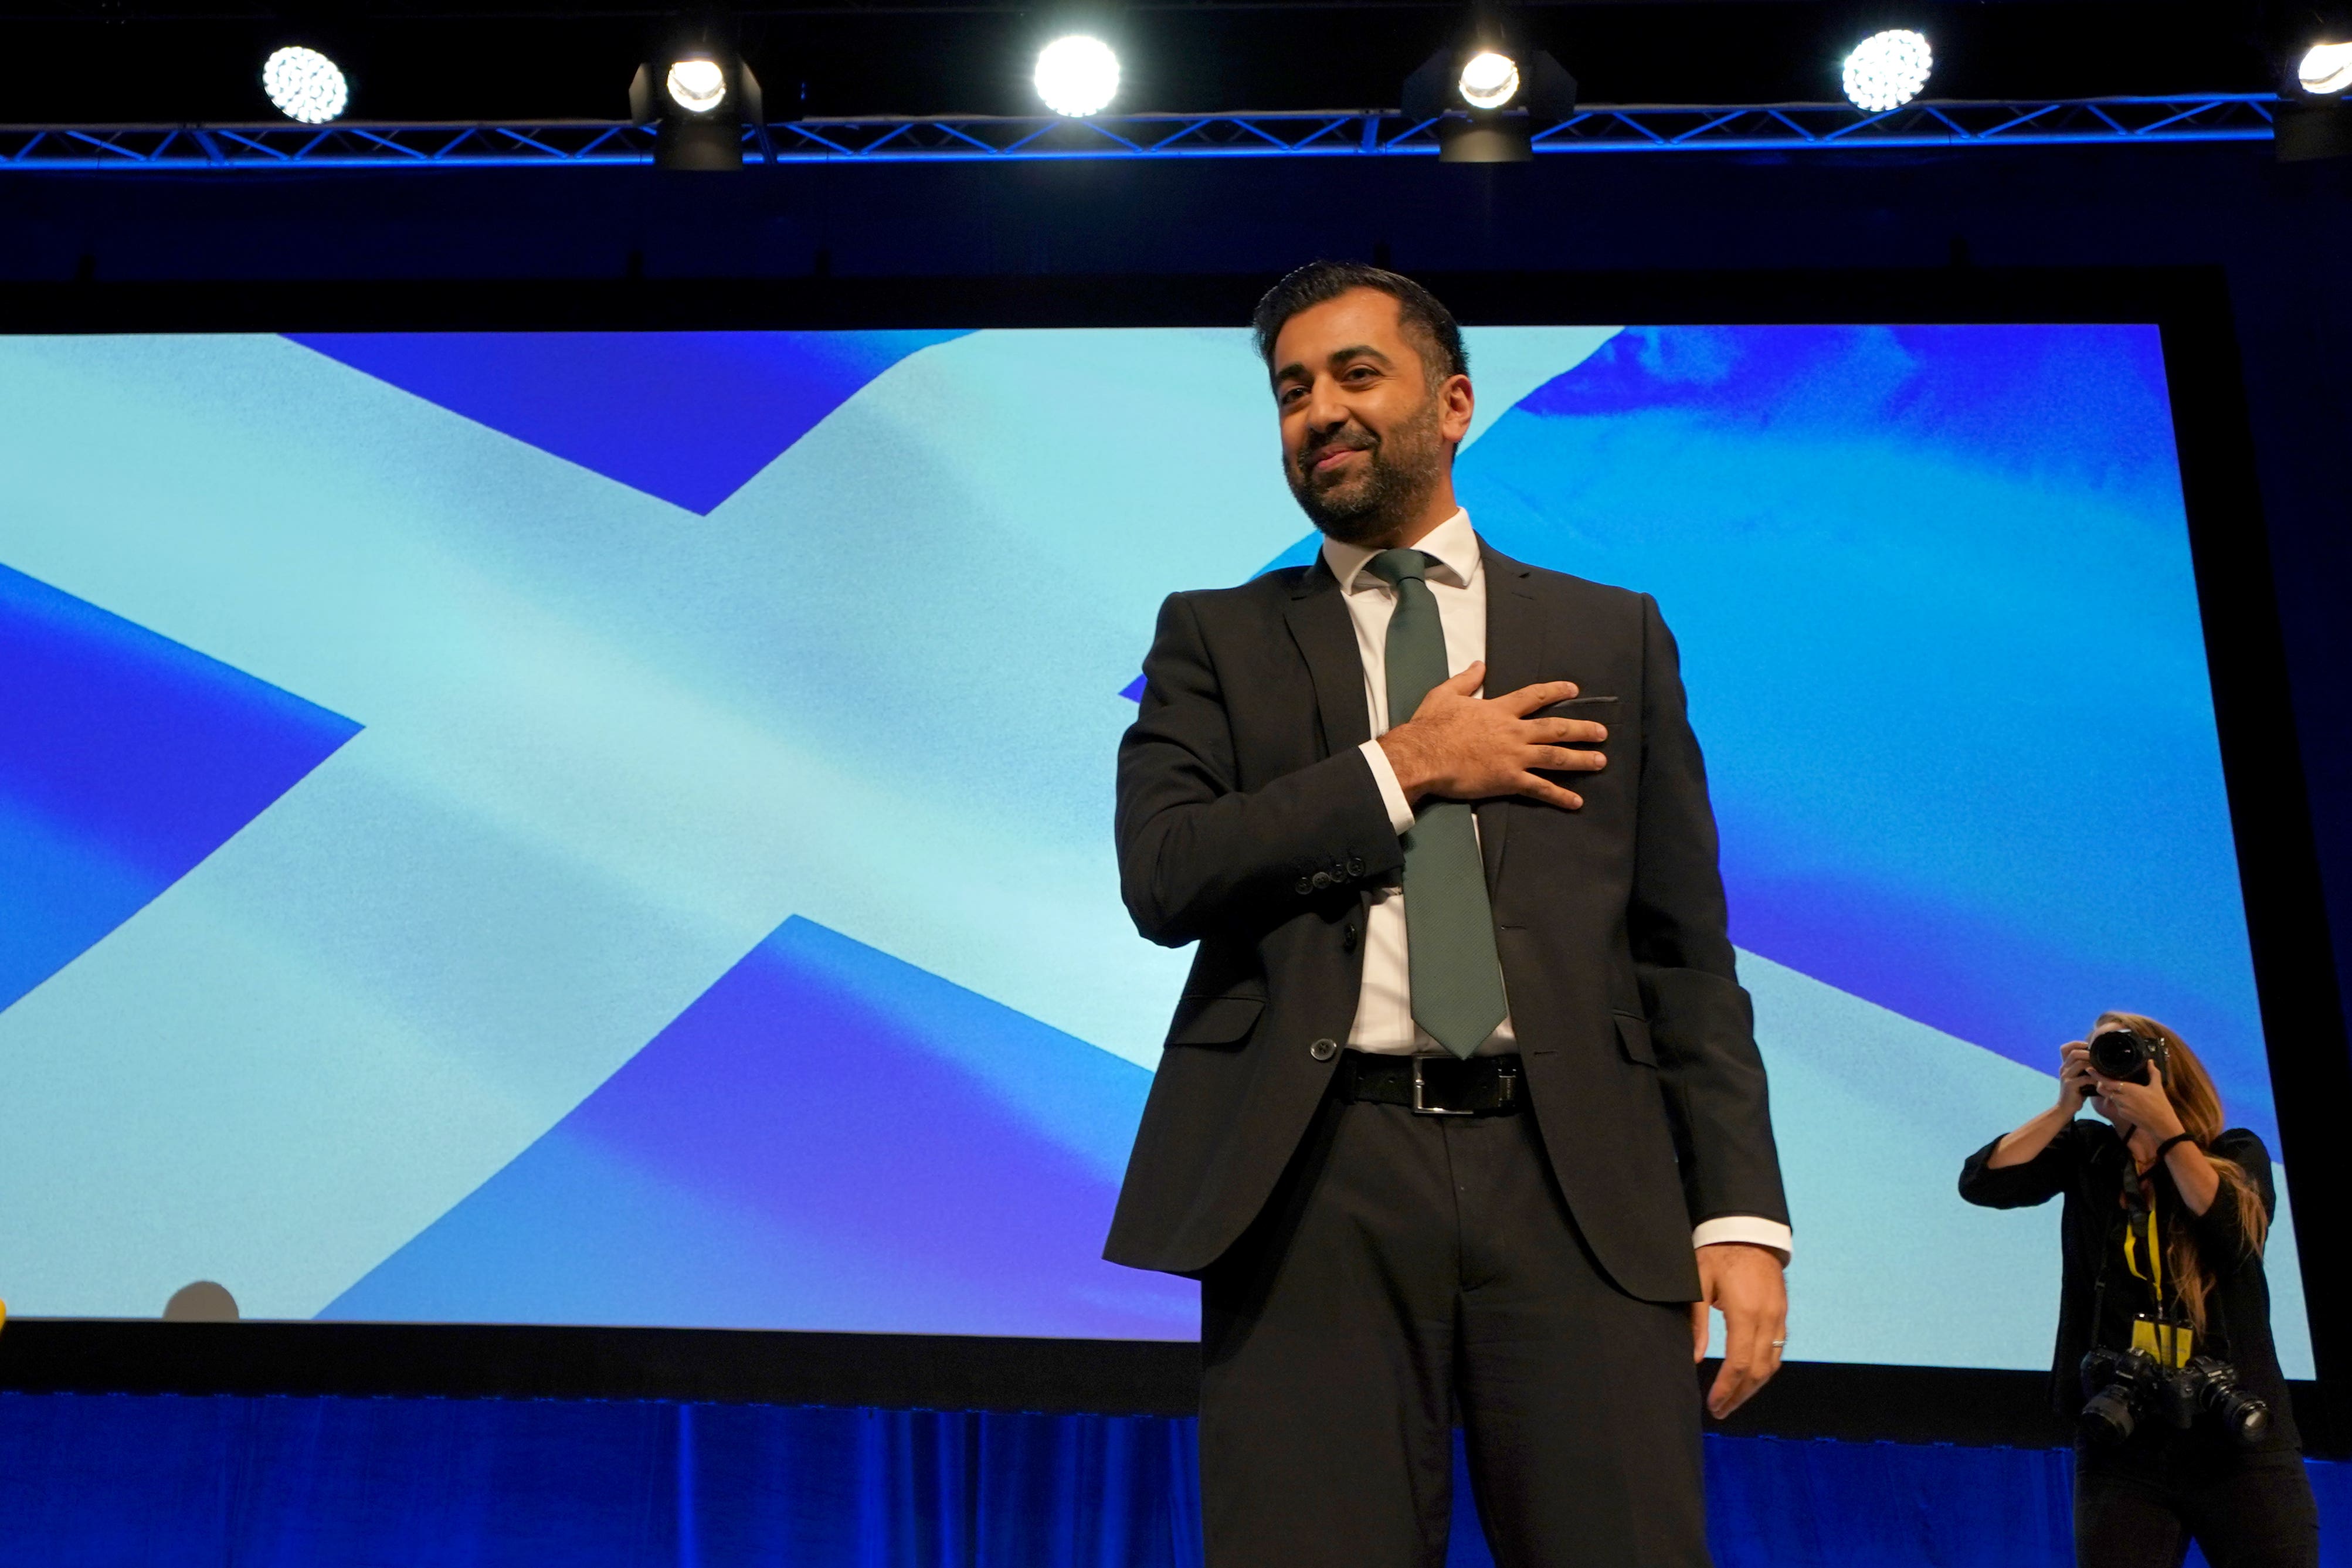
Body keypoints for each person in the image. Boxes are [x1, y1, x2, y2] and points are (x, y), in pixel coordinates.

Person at [1104, 260, 1791, 1568]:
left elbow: (1684, 955)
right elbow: (1168, 872)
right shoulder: (1217, 637)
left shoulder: (1611, 634)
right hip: (1316, 1178)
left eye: (1356, 374)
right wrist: (1404, 766)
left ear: (1455, 400)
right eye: (1291, 389)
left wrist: (1741, 1220)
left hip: (1576, 1174)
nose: (1318, 411)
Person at [1960, 1012, 2317, 1568]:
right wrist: (2062, 1108)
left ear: (2164, 1068)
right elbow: (1982, 1183)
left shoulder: (2236, 1153)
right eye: (2099, 1055)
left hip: (2236, 1440)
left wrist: (2166, 1129)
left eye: (2122, 1053)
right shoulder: (2088, 1152)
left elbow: (2228, 1227)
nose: (2111, 1070)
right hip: (2122, 1440)